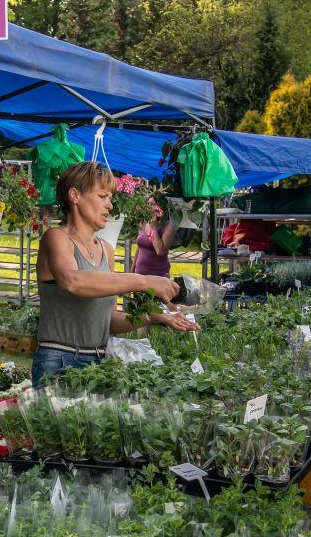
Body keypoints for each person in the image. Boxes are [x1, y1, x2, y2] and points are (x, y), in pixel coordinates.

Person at [33, 161, 199, 386]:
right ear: (75, 196)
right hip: (59, 360)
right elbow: (72, 281)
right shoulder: (56, 239)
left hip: (99, 361)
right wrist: (142, 281)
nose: (110, 205)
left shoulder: (106, 250)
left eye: (110, 197)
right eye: (102, 196)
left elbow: (110, 321)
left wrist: (156, 316)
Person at [132, 201, 177, 277]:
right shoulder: (144, 222)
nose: (149, 207)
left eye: (152, 204)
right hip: (139, 274)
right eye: (148, 204)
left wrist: (153, 228)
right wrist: (132, 269)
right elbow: (140, 247)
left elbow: (160, 251)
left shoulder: (169, 226)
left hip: (158, 275)